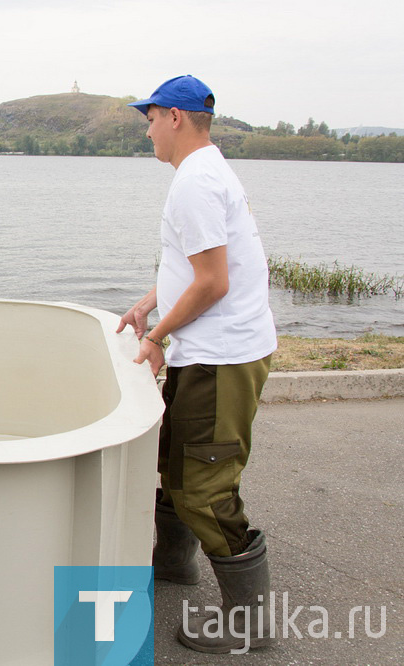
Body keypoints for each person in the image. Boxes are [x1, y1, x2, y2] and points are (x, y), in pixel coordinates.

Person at [117, 75, 278, 654]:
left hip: (221, 354)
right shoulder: (207, 172)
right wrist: (151, 298)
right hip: (208, 347)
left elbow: (213, 281)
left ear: (176, 118)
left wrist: (157, 336)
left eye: (151, 118)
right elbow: (200, 267)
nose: (149, 130)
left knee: (206, 487)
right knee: (175, 460)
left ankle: (251, 622)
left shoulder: (195, 183)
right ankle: (175, 566)